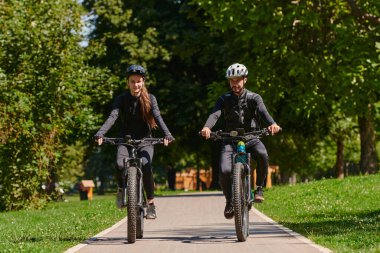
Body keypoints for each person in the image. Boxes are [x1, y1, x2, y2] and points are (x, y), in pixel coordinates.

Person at [200, 63, 281, 219]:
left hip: (251, 138)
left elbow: (263, 112)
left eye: (238, 80)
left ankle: (258, 188)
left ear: (245, 80)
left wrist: (272, 124)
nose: (235, 84)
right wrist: (207, 127)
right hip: (230, 140)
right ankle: (230, 201)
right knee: (224, 171)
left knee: (263, 155)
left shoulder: (254, 97)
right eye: (232, 80)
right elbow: (215, 115)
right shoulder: (223, 99)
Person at [95, 64, 174, 219]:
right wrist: (100, 133)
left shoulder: (150, 99)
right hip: (126, 140)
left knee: (146, 164)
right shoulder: (122, 99)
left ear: (143, 82)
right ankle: (120, 189)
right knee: (119, 164)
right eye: (132, 81)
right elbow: (113, 117)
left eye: (138, 81)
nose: (136, 84)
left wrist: (167, 134)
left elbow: (158, 117)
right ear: (128, 82)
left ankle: (150, 204)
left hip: (146, 140)